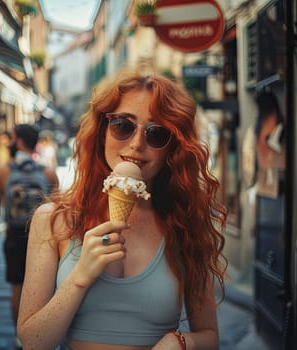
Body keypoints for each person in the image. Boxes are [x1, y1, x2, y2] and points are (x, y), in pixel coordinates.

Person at [17, 69, 227, 350]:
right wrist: (80, 276)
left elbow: (210, 336)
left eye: (157, 133)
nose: (137, 144)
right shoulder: (54, 220)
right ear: (102, 131)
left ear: (172, 148)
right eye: (123, 125)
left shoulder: (186, 225)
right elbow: (32, 342)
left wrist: (180, 342)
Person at [0, 124, 59, 348]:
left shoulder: (1, 171)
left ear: (17, 142)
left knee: (17, 287)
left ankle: (21, 338)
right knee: (44, 287)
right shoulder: (48, 173)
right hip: (44, 238)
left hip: (14, 236)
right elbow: (59, 212)